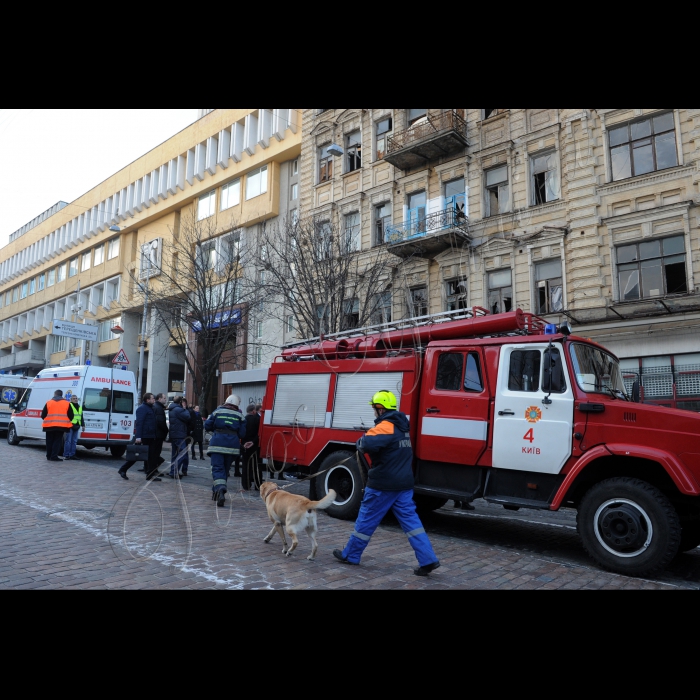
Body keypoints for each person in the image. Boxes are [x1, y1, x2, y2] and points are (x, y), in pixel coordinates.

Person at [333, 390, 440, 577]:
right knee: (412, 524)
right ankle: (428, 559)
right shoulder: (402, 427)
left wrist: (361, 440)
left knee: (366, 519)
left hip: (383, 484)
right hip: (404, 485)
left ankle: (350, 554)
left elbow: (365, 444)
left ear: (381, 409)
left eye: (375, 409)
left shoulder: (386, 426)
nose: (374, 412)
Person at [205, 395, 246, 507]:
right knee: (225, 470)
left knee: (217, 469)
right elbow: (242, 433)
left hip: (217, 444)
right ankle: (216, 492)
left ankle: (221, 490)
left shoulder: (217, 411)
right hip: (232, 446)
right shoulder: (240, 416)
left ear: (226, 401)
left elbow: (207, 425)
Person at [118, 393, 162, 481]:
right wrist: (138, 437)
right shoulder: (142, 409)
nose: (154, 400)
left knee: (151, 456)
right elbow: (139, 423)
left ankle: (150, 475)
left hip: (151, 436)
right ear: (147, 400)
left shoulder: (151, 408)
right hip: (145, 436)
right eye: (152, 398)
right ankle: (123, 469)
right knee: (137, 455)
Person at [42, 390, 75, 462]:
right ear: (61, 395)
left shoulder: (49, 402)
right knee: (57, 441)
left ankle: (49, 455)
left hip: (49, 425)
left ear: (55, 394)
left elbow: (43, 415)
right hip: (61, 426)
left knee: (49, 441)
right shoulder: (67, 403)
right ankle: (54, 456)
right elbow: (71, 416)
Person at [168, 396, 191, 478]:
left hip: (174, 434)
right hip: (179, 434)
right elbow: (188, 417)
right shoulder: (179, 410)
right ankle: (174, 471)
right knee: (183, 453)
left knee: (174, 454)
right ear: (180, 402)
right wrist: (185, 409)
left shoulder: (172, 408)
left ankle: (172, 471)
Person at [242, 404, 261, 486]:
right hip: (255, 444)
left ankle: (246, 484)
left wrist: (243, 443)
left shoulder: (244, 419)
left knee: (245, 465)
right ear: (253, 411)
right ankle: (258, 484)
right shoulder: (257, 419)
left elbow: (241, 433)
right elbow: (260, 433)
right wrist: (253, 441)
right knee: (256, 465)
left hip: (245, 444)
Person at [63, 395, 85, 461]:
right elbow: (67, 416)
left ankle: (72, 454)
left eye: (76, 398)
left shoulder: (79, 407)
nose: (75, 399)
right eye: (74, 398)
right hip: (70, 425)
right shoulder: (69, 406)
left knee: (74, 441)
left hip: (77, 425)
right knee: (68, 441)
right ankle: (66, 455)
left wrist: (83, 425)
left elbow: (81, 417)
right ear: (71, 400)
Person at [152, 393, 169, 468]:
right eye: (164, 398)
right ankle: (153, 469)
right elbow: (160, 422)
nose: (165, 399)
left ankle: (152, 468)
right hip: (158, 434)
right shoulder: (158, 408)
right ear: (159, 399)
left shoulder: (157, 407)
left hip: (156, 433)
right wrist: (166, 430)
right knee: (156, 452)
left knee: (155, 452)